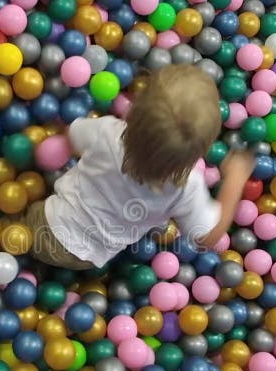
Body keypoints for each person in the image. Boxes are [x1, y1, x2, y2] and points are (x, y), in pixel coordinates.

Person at [24, 64, 256, 270]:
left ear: (133, 111)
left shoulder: (108, 132)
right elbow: (207, 237)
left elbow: (72, 137)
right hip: (85, 259)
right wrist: (235, 178)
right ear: (199, 151)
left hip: (45, 222)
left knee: (11, 229)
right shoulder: (186, 188)